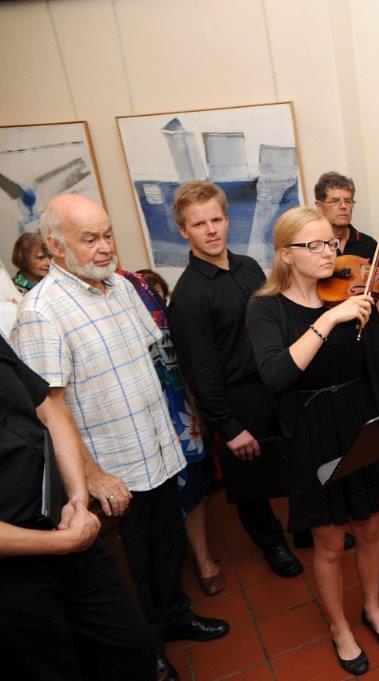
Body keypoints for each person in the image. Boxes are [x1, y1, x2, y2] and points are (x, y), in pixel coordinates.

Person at [11, 194, 229, 679]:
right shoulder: (42, 312)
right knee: (134, 568)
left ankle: (175, 616)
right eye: (90, 239)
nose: (106, 247)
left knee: (167, 549)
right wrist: (92, 476)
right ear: (56, 246)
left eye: (107, 235)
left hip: (158, 450)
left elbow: (148, 364)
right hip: (114, 471)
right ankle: (150, 648)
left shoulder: (122, 286)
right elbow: (49, 409)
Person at [248, 206, 379, 675]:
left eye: (331, 243)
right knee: (330, 542)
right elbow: (276, 374)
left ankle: (372, 607)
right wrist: (329, 319)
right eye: (315, 245)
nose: (330, 252)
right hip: (311, 430)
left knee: (372, 527)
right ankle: (339, 627)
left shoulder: (355, 296)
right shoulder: (266, 308)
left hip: (360, 419)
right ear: (286, 255)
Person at [166, 182, 305, 579]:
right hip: (239, 399)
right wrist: (229, 427)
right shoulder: (188, 296)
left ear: (227, 220)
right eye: (199, 224)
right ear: (184, 231)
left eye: (216, 219)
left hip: (277, 383)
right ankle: (272, 543)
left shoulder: (249, 267)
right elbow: (201, 371)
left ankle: (305, 526)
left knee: (297, 460)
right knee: (251, 484)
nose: (211, 230)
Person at [0, 334, 156, 681]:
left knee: (131, 644)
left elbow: (50, 409)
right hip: (12, 573)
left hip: (66, 524)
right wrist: (61, 542)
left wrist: (78, 500)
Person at [314, 170, 379, 502]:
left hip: (368, 338)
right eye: (335, 201)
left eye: (348, 200)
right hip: (333, 345)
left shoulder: (368, 244)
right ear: (319, 205)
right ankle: (351, 482)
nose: (343, 206)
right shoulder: (314, 249)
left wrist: (371, 325)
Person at [123, 267, 222, 596]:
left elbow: (178, 360)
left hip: (177, 408)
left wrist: (194, 406)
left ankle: (202, 559)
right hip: (135, 421)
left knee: (193, 484)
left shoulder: (148, 295)